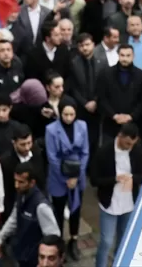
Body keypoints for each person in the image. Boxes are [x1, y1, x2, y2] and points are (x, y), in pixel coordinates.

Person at [91, 123, 142, 267]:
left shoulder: (136, 151)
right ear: (120, 136)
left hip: (129, 202)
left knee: (123, 238)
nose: (130, 147)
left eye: (132, 144)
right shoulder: (104, 152)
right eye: (127, 143)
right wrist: (114, 179)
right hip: (110, 202)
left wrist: (133, 178)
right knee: (106, 241)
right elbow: (94, 180)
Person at [44, 100, 87, 260]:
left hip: (77, 175)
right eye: (65, 114)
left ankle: (73, 241)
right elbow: (52, 157)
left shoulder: (83, 126)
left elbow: (86, 152)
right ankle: (58, 243)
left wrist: (76, 176)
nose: (69, 118)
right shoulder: (51, 129)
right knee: (58, 211)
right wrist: (65, 178)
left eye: (72, 114)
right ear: (60, 113)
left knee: (75, 210)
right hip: (58, 176)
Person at [0, 162, 59, 267]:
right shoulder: (21, 195)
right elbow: (14, 219)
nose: (16, 185)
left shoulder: (41, 207)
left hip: (34, 260)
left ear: (32, 183)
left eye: (21, 182)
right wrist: (0, 238)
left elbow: (53, 237)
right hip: (22, 254)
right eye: (15, 181)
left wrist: (44, 263)